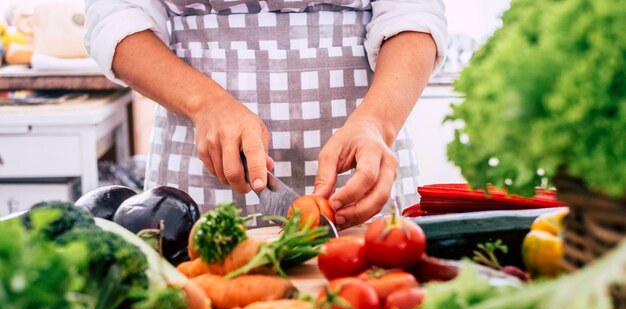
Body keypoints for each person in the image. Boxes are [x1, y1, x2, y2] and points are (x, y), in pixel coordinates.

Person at [85, 0, 447, 229]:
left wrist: (376, 122)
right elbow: (114, 15)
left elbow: (414, 11)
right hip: (199, 175)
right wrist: (204, 103)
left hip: (362, 158)